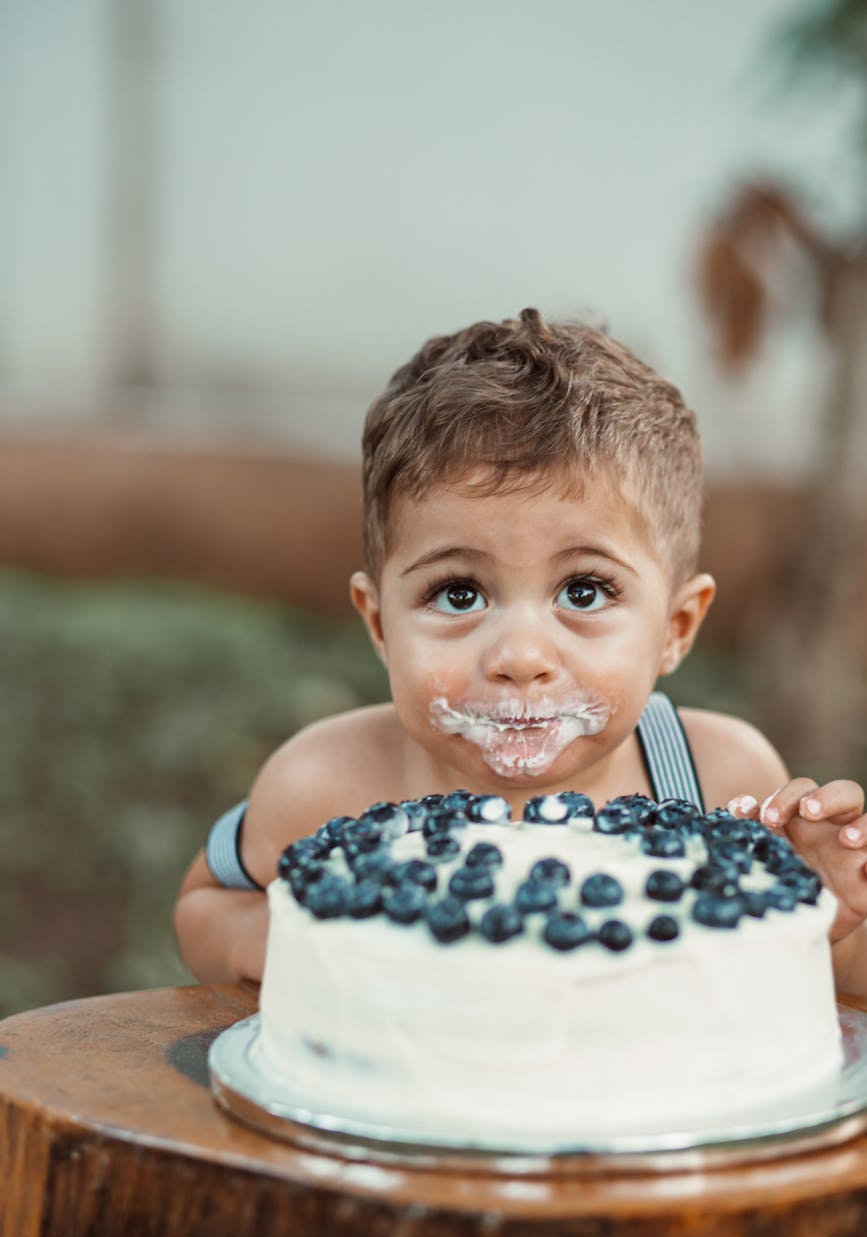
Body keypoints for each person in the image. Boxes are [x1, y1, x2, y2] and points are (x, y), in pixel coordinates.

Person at [174, 308, 867, 991]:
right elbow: (207, 905)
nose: (520, 655)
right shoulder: (321, 787)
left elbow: (808, 978)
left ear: (675, 629)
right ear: (380, 624)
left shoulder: (719, 783)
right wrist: (277, 940)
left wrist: (825, 922)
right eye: (457, 594)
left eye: (586, 591)